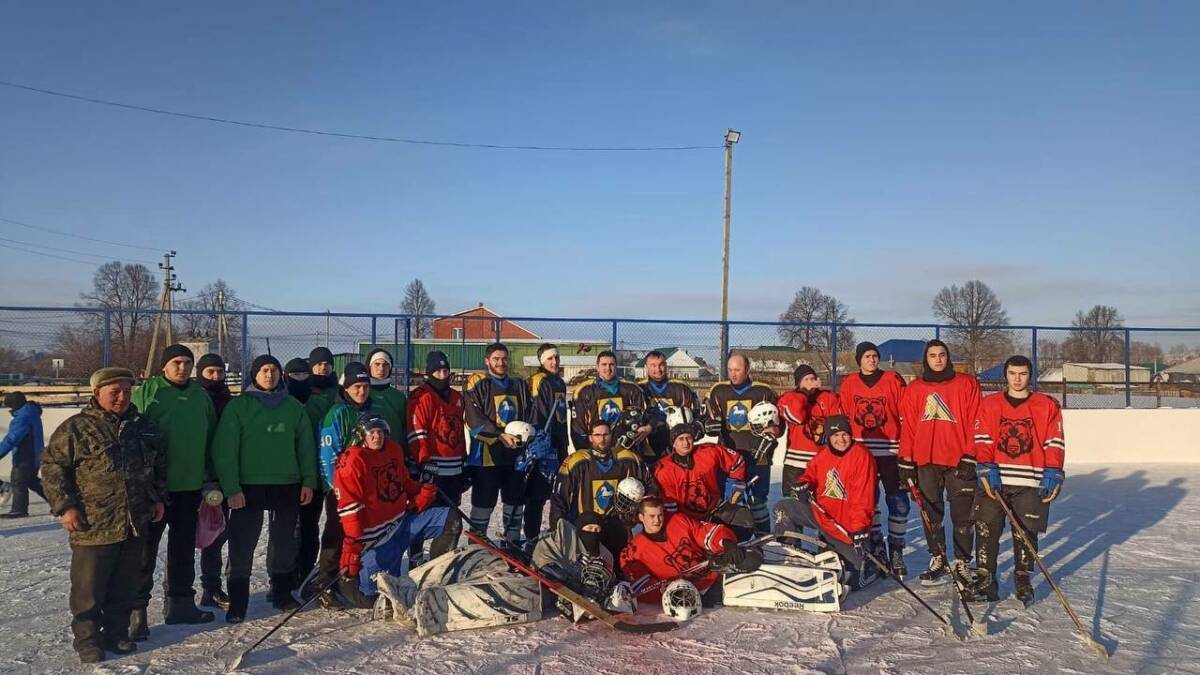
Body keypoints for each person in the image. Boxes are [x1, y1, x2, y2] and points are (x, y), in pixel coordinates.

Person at [41, 367, 166, 664]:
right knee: (88, 589)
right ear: (97, 393)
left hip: (134, 521)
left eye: (127, 390)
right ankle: (87, 640)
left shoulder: (144, 426)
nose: (122, 397)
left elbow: (159, 464)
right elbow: (52, 467)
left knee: (125, 585)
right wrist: (65, 506)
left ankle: (116, 633)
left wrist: (158, 498)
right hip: (93, 523)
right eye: (115, 392)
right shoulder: (77, 428)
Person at [212, 355, 317, 622]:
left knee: (284, 542)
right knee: (242, 543)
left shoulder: (293, 407)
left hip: (286, 484)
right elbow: (225, 450)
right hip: (249, 486)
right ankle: (238, 601)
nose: (269, 375)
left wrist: (308, 480)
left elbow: (305, 448)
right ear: (254, 374)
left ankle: (281, 593)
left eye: (274, 370)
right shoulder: (239, 407)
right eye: (264, 370)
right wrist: (232, 487)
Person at [130, 344, 218, 636]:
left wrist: (209, 480)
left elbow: (210, 440)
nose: (182, 368)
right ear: (164, 366)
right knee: (145, 550)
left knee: (182, 550)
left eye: (187, 363)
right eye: (176, 362)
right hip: (154, 488)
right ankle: (136, 611)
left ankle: (180, 604)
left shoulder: (199, 397)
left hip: (189, 486)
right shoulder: (148, 393)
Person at [970, 355, 1066, 605]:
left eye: (1022, 373)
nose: (1017, 378)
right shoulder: (990, 404)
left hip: (1030, 479)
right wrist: (985, 466)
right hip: (996, 479)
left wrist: (1054, 469)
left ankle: (1023, 578)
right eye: (1012, 373)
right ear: (1006, 375)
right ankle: (985, 579)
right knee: (986, 527)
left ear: (1030, 375)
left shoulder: (1046, 405)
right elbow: (983, 438)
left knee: (1025, 532)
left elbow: (1054, 441)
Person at [333, 416, 449, 607]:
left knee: (450, 520)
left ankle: (436, 580)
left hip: (401, 524)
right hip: (376, 540)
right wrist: (353, 543)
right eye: (372, 433)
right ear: (362, 435)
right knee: (376, 601)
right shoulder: (352, 460)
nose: (377, 436)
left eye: (380, 432)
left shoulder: (393, 449)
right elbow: (349, 506)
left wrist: (422, 492)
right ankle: (346, 585)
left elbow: (403, 483)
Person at [898, 339, 982, 586]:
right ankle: (938, 558)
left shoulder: (966, 384)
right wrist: (906, 460)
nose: (938, 359)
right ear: (926, 359)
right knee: (930, 514)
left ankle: (962, 562)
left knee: (963, 516)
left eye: (942, 354)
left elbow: (976, 420)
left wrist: (970, 454)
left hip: (958, 461)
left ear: (948, 357)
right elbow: (909, 427)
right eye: (933, 355)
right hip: (926, 461)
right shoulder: (914, 390)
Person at [774, 415, 880, 589]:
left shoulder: (862, 457)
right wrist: (805, 482)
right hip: (822, 514)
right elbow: (811, 472)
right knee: (783, 508)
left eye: (845, 434)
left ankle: (871, 564)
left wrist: (859, 529)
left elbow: (863, 499)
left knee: (850, 581)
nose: (841, 440)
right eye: (835, 435)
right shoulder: (824, 454)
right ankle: (790, 558)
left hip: (846, 528)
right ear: (829, 437)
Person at [314, 361, 384, 606]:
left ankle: (351, 578)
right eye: (356, 386)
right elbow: (327, 454)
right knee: (336, 532)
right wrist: (336, 488)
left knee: (360, 535)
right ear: (346, 388)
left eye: (365, 386)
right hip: (342, 489)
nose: (361, 391)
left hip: (367, 487)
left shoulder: (372, 411)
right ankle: (325, 582)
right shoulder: (337, 414)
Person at [838, 341, 910, 577]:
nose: (871, 360)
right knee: (869, 503)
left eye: (874, 356)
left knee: (898, 502)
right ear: (859, 359)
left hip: (891, 451)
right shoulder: (849, 383)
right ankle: (878, 546)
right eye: (867, 356)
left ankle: (896, 549)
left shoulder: (892, 380)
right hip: (862, 453)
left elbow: (906, 412)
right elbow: (845, 416)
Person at [549, 420, 650, 569]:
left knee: (619, 565)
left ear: (611, 435)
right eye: (597, 435)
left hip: (617, 527)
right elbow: (559, 498)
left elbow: (648, 487)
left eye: (606, 434)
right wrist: (556, 529)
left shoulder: (628, 458)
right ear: (590, 437)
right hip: (588, 528)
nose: (602, 439)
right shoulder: (576, 461)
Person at [621, 497, 760, 603]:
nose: (657, 520)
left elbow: (704, 531)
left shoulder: (678, 520)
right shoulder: (633, 551)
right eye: (652, 516)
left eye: (660, 515)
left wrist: (725, 542)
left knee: (751, 558)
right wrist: (662, 591)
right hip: (682, 594)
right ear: (641, 517)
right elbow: (641, 587)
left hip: (712, 573)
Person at [463, 343, 532, 543]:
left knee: (514, 503)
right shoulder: (478, 383)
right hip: (486, 457)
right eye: (496, 359)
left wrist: (529, 434)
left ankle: (511, 547)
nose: (501, 363)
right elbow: (473, 419)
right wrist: (499, 435)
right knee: (483, 504)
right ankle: (476, 549)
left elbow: (529, 414)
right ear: (487, 361)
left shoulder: (519, 385)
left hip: (515, 457)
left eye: (504, 359)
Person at [704, 353, 779, 533]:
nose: (733, 374)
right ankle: (727, 539)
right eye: (730, 370)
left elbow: (778, 425)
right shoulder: (718, 391)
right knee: (728, 500)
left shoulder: (764, 391)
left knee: (757, 501)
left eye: (737, 370)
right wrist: (708, 425)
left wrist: (774, 431)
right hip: (728, 460)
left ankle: (763, 539)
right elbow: (708, 422)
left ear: (747, 370)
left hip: (758, 458)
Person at [406, 351, 467, 559]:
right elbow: (417, 432)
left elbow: (459, 432)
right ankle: (415, 557)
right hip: (432, 468)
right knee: (423, 514)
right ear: (429, 373)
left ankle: (440, 560)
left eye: (445, 370)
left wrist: (464, 460)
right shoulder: (420, 396)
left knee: (450, 517)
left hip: (453, 468)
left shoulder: (457, 397)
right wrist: (424, 462)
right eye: (437, 371)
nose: (442, 375)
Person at [653, 423, 748, 526]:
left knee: (743, 519)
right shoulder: (664, 470)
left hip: (715, 509)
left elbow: (737, 461)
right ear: (673, 444)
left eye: (689, 438)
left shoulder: (708, 452)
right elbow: (669, 506)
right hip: (686, 518)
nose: (686, 443)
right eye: (681, 439)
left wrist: (735, 484)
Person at [195, 353, 232, 611]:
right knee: (187, 537)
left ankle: (212, 588)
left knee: (216, 534)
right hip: (195, 477)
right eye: (210, 372)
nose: (216, 377)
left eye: (219, 372)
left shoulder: (230, 401)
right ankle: (177, 594)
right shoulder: (194, 400)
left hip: (223, 477)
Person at [523, 343, 569, 541]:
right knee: (538, 493)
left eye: (556, 357)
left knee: (558, 491)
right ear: (542, 361)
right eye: (550, 358)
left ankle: (555, 534)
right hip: (543, 444)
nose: (554, 361)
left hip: (559, 442)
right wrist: (540, 441)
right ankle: (531, 536)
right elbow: (536, 414)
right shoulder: (538, 380)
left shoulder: (559, 381)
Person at [777, 364, 843, 486]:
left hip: (822, 461)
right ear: (798, 383)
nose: (810, 382)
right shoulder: (789, 397)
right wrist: (803, 394)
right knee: (794, 503)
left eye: (812, 379)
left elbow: (838, 425)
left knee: (822, 502)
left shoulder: (828, 398)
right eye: (806, 380)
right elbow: (797, 417)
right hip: (796, 462)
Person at [639, 350, 702, 466]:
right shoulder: (639, 390)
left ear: (666, 366)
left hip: (679, 450)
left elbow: (698, 416)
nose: (658, 369)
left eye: (661, 365)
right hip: (649, 450)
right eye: (653, 366)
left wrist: (691, 434)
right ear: (646, 367)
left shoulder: (682, 388)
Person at [0, 392, 46, 518]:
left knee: (18, 480)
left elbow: (12, 438)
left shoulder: (23, 417)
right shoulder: (30, 413)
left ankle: (19, 509)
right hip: (34, 454)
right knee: (31, 481)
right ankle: (61, 501)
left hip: (26, 455)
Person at [366, 348, 408, 452]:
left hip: (394, 452)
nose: (381, 369)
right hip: (368, 451)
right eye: (377, 364)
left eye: (385, 365)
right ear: (369, 367)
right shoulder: (362, 393)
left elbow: (405, 427)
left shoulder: (399, 397)